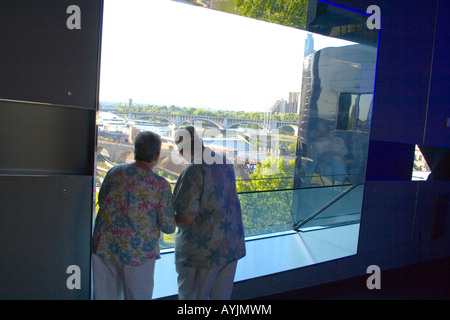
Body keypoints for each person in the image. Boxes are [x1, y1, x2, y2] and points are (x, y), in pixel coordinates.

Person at [91, 131, 176, 300]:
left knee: (103, 296)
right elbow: (168, 227)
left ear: (135, 149)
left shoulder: (115, 171)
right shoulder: (160, 185)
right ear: (157, 155)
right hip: (138, 253)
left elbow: (102, 199)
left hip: (104, 245)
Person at [172, 126, 246, 300]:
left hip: (202, 253)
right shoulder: (224, 162)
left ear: (181, 150)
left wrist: (163, 217)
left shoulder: (194, 171)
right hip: (229, 246)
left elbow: (186, 218)